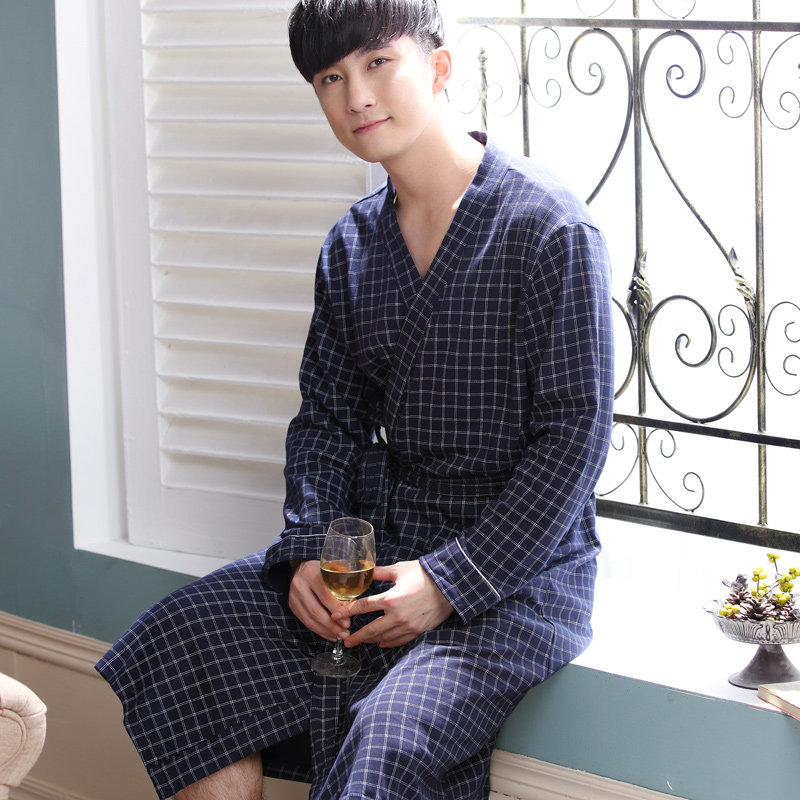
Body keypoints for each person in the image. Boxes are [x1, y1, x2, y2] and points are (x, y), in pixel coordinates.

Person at [95, 1, 615, 798]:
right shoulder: (352, 244)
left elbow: (574, 439)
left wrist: (448, 582)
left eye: (378, 63)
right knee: (187, 632)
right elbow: (326, 422)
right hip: (378, 547)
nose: (356, 97)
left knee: (387, 734)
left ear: (438, 68)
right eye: (330, 79)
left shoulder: (551, 229)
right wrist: (309, 549)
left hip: (516, 573)